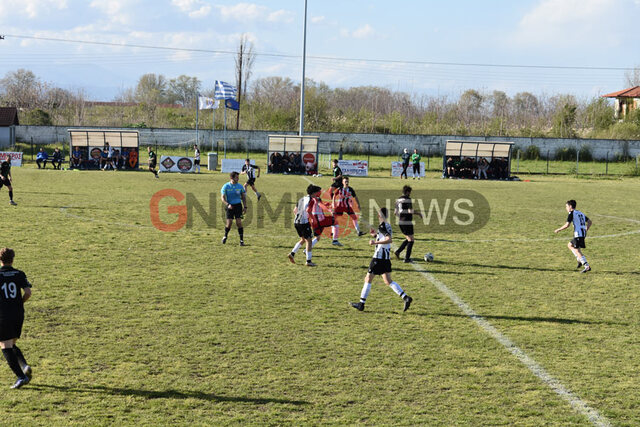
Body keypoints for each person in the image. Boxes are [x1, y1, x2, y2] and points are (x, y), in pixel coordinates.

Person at [350, 208, 413, 312]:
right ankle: (406, 297)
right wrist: (376, 235)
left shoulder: (383, 226)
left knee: (368, 279)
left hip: (378, 258)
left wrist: (375, 242)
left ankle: (361, 304)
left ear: (380, 215)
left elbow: (389, 240)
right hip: (386, 258)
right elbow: (385, 237)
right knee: (388, 281)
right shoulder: (387, 225)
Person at [0, 248, 33, 389]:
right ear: (12, 259)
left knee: (4, 345)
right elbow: (28, 292)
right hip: (18, 313)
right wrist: (20, 302)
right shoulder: (19, 274)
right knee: (11, 343)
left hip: (3, 314)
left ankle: (21, 376)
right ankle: (24, 366)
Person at [554, 200, 592, 273]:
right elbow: (590, 222)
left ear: (570, 206)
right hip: (582, 234)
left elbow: (567, 225)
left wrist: (558, 229)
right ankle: (579, 260)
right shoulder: (580, 213)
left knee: (577, 250)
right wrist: (586, 229)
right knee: (570, 245)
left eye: (566, 206)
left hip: (578, 234)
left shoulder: (571, 213)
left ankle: (586, 266)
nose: (566, 208)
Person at [288, 184, 318, 267]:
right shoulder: (311, 200)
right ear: (313, 193)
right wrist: (313, 219)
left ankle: (292, 253)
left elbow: (295, 210)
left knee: (303, 239)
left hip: (296, 222)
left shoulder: (301, 198)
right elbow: (308, 210)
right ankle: (308, 261)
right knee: (309, 241)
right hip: (303, 223)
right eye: (316, 193)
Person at [394, 185, 423, 263]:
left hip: (400, 222)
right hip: (407, 222)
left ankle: (398, 252)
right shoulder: (408, 199)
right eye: (410, 192)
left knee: (408, 238)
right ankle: (407, 259)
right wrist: (419, 213)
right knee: (411, 240)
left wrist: (401, 216)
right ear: (407, 192)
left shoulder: (398, 200)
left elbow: (395, 213)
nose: (410, 194)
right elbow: (410, 211)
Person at [220, 171, 247, 246]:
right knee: (229, 223)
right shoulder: (226, 186)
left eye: (238, 177)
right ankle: (225, 236)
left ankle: (241, 241)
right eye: (236, 177)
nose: (238, 179)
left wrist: (245, 207)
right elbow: (222, 197)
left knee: (239, 223)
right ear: (232, 178)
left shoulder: (240, 186)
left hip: (238, 206)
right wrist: (228, 204)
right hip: (230, 206)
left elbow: (243, 197)